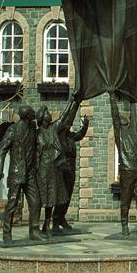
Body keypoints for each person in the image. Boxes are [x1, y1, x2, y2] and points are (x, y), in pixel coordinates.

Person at [0, 105, 42, 244]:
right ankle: (6, 234)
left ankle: (34, 232)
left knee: (35, 202)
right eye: (32, 112)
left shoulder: (33, 129)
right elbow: (2, 149)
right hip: (17, 172)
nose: (34, 114)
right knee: (12, 203)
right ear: (27, 115)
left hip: (30, 173)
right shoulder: (13, 130)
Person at [36, 98, 80, 237]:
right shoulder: (37, 134)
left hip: (54, 168)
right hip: (42, 170)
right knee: (42, 199)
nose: (50, 114)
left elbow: (64, 116)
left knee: (52, 199)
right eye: (47, 112)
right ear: (42, 117)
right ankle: (37, 226)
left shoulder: (53, 128)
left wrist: (73, 101)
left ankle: (47, 224)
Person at [109, 91, 137, 237]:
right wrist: (112, 97)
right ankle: (124, 226)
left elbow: (134, 113)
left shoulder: (133, 130)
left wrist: (133, 96)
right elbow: (114, 114)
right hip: (126, 171)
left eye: (124, 118)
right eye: (120, 118)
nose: (123, 118)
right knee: (125, 200)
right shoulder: (119, 134)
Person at [52, 114, 90, 232]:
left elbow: (79, 135)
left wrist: (85, 126)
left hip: (70, 171)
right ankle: (55, 221)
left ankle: (62, 218)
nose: (69, 126)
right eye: (68, 125)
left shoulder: (70, 137)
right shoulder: (56, 137)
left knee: (68, 196)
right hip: (61, 171)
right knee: (61, 197)